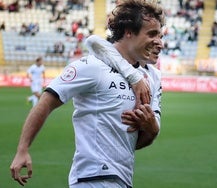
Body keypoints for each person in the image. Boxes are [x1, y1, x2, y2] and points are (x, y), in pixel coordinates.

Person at [10, 1, 165, 188]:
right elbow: (47, 101)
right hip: (90, 179)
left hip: (123, 180)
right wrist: (22, 149)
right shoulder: (92, 66)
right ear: (129, 32)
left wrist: (151, 128)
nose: (160, 42)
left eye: (160, 35)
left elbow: (137, 141)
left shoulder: (151, 77)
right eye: (152, 34)